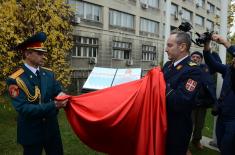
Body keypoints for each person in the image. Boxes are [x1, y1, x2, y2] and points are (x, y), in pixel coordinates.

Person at [6, 32, 68, 155]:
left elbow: (57, 90)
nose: (43, 56)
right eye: (39, 53)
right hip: (31, 131)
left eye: (44, 53)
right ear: (27, 54)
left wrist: (62, 95)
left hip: (51, 129)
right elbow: (23, 108)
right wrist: (53, 105)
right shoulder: (15, 79)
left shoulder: (49, 73)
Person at [163, 31, 202, 155]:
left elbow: (181, 101)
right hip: (161, 122)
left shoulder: (193, 70)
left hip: (177, 129)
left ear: (182, 47)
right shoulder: (168, 65)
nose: (165, 49)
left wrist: (161, 86)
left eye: (169, 45)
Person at [203, 34, 235, 155]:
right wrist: (206, 45)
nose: (233, 58)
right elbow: (212, 63)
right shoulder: (228, 69)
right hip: (222, 116)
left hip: (233, 119)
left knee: (228, 148)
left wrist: (224, 42)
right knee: (221, 144)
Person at [187, 51, 217, 154]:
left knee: (200, 125)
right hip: (190, 103)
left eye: (198, 57)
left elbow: (217, 64)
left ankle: (196, 140)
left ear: (201, 59)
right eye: (193, 57)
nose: (195, 58)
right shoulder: (187, 68)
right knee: (188, 125)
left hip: (202, 103)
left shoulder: (206, 69)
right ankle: (185, 145)